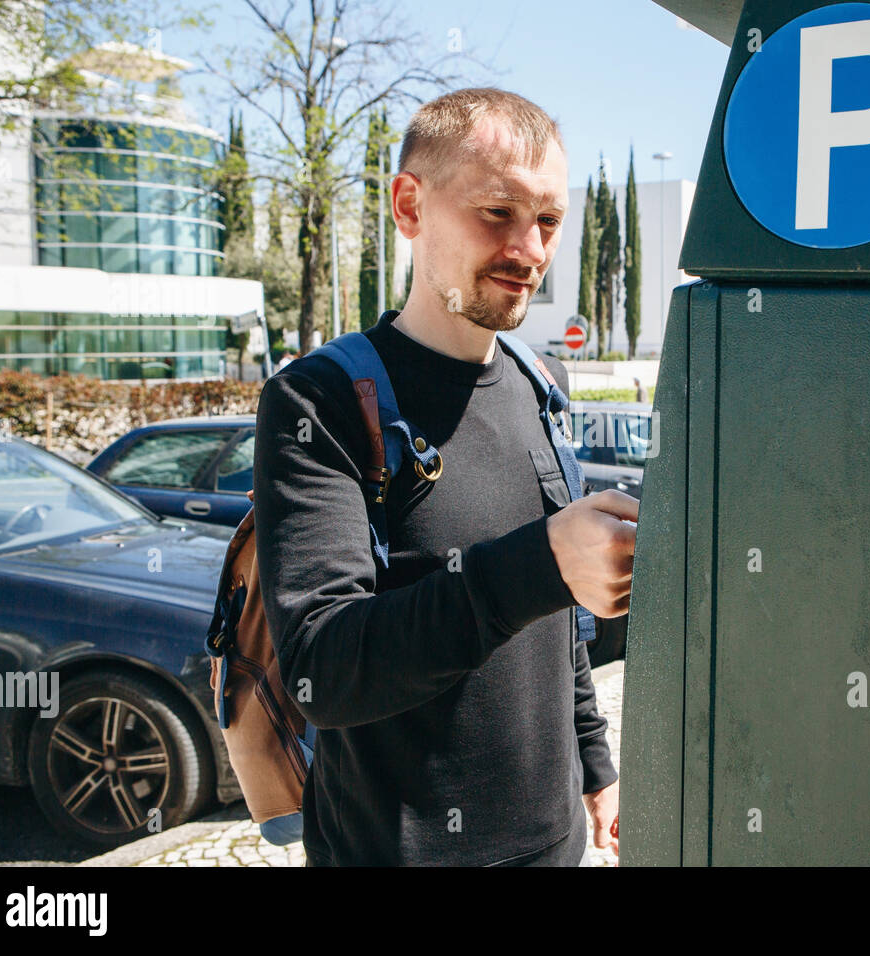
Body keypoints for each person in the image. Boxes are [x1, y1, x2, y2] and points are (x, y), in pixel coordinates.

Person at [252, 88, 634, 866]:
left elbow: (556, 628)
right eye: (499, 212)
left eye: (550, 221)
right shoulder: (321, 399)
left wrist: (596, 768)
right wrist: (544, 560)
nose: (529, 249)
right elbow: (325, 669)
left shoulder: (541, 384)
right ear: (409, 206)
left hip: (556, 848)